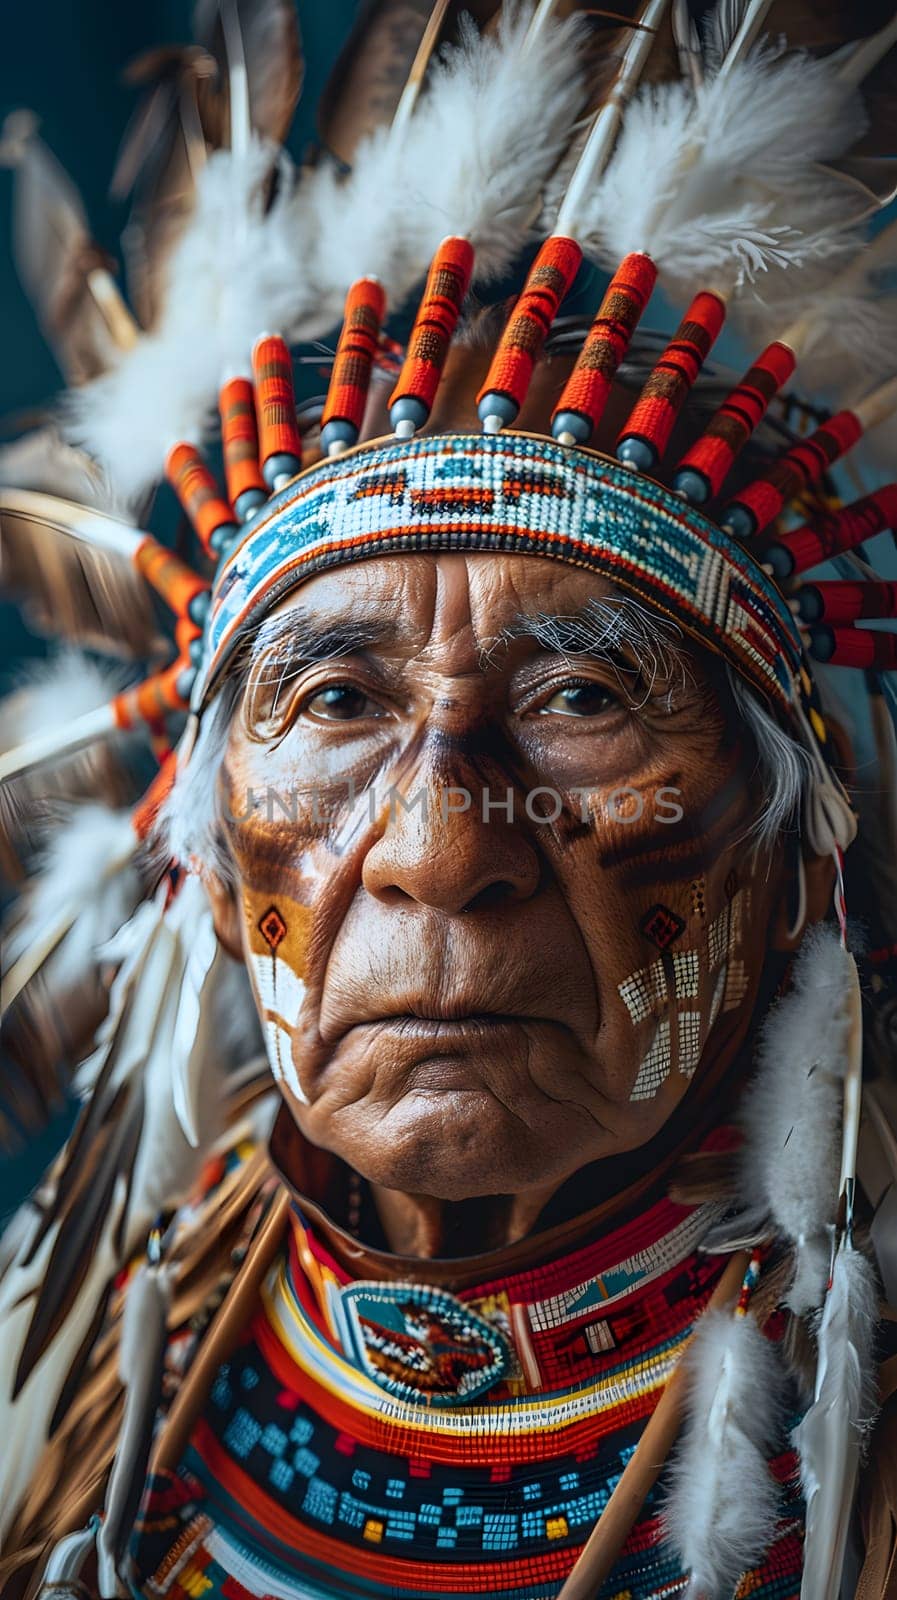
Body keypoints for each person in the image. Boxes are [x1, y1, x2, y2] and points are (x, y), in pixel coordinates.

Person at [1, 4, 896, 1598]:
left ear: (789, 859)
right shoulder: (67, 1398)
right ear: (204, 863)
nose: (434, 850)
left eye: (580, 701)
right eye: (335, 704)